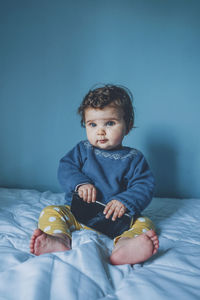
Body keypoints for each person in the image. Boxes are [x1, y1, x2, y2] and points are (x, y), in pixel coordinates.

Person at [30, 84, 159, 265]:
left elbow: (144, 185)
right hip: (78, 214)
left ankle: (125, 245)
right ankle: (60, 239)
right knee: (51, 211)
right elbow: (66, 168)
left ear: (128, 126)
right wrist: (80, 183)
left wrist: (125, 201)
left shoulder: (134, 158)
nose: (100, 131)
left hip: (117, 221)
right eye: (92, 124)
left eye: (110, 123)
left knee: (146, 223)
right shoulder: (83, 150)